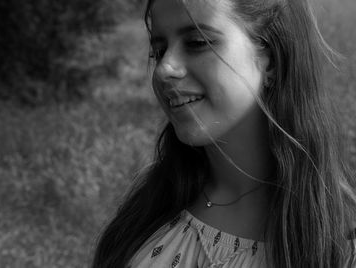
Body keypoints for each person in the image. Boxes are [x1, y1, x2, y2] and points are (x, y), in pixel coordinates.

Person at [93, 0, 356, 267]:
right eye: (159, 51)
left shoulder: (340, 243)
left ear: (272, 59)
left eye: (196, 42)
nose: (164, 69)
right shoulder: (149, 209)